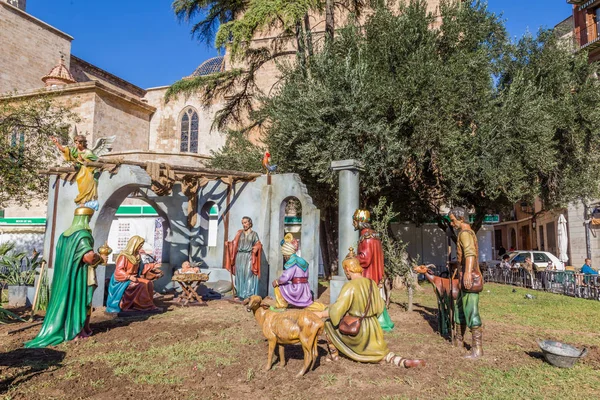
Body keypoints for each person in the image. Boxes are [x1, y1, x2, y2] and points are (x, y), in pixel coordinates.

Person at [314, 248, 425, 368]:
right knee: (383, 353)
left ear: (347, 270)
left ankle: (334, 355)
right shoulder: (371, 283)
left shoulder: (350, 286)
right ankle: (399, 360)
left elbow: (336, 310)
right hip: (373, 328)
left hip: (359, 331)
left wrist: (321, 314)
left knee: (329, 325)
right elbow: (380, 307)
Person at [25, 207, 105, 348]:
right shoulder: (82, 235)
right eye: (89, 218)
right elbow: (88, 257)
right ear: (86, 218)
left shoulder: (64, 236)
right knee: (78, 300)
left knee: (66, 299)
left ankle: (72, 327)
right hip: (78, 276)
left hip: (63, 277)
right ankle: (75, 330)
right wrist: (100, 257)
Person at [449, 207, 484, 359]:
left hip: (469, 278)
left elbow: (470, 254)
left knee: (471, 310)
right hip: (464, 277)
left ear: (461, 218)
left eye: (453, 220)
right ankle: (458, 340)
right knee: (460, 308)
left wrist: (468, 273)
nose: (451, 223)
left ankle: (477, 348)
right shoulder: (468, 233)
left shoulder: (464, 234)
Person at [352, 209, 394, 331]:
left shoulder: (366, 237)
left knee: (370, 298)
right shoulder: (374, 235)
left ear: (360, 221)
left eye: (355, 221)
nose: (353, 223)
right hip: (377, 273)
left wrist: (353, 258)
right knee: (376, 298)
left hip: (369, 274)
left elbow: (365, 258)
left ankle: (375, 322)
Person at [105, 236, 161, 313]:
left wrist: (152, 265)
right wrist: (129, 277)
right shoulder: (124, 256)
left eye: (141, 246)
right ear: (134, 245)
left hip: (133, 278)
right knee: (141, 285)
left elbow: (141, 268)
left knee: (149, 283)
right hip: (122, 280)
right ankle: (143, 306)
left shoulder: (137, 256)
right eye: (139, 246)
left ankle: (146, 305)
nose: (140, 247)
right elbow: (118, 271)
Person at [272, 233, 325, 311]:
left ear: (286, 254)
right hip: (305, 288)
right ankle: (322, 307)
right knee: (308, 305)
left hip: (297, 289)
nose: (284, 257)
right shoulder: (302, 261)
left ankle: (281, 305)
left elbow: (285, 277)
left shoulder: (292, 262)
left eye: (284, 256)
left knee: (277, 286)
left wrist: (277, 281)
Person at [51, 135, 99, 209]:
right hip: (81, 172)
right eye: (75, 143)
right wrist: (57, 143)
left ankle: (88, 201)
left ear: (82, 143)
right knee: (81, 184)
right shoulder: (75, 151)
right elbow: (64, 150)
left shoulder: (88, 152)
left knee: (88, 186)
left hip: (88, 172)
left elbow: (96, 161)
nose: (76, 145)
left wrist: (84, 161)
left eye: (77, 143)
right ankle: (83, 201)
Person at [225, 216, 262, 300]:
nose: (244, 225)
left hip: (249, 256)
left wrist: (256, 247)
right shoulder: (239, 233)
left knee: (249, 274)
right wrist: (229, 244)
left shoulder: (254, 234)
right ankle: (240, 294)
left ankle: (249, 295)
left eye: (245, 222)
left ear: (250, 223)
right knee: (240, 274)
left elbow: (258, 244)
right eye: (242, 223)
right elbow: (234, 243)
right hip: (239, 256)